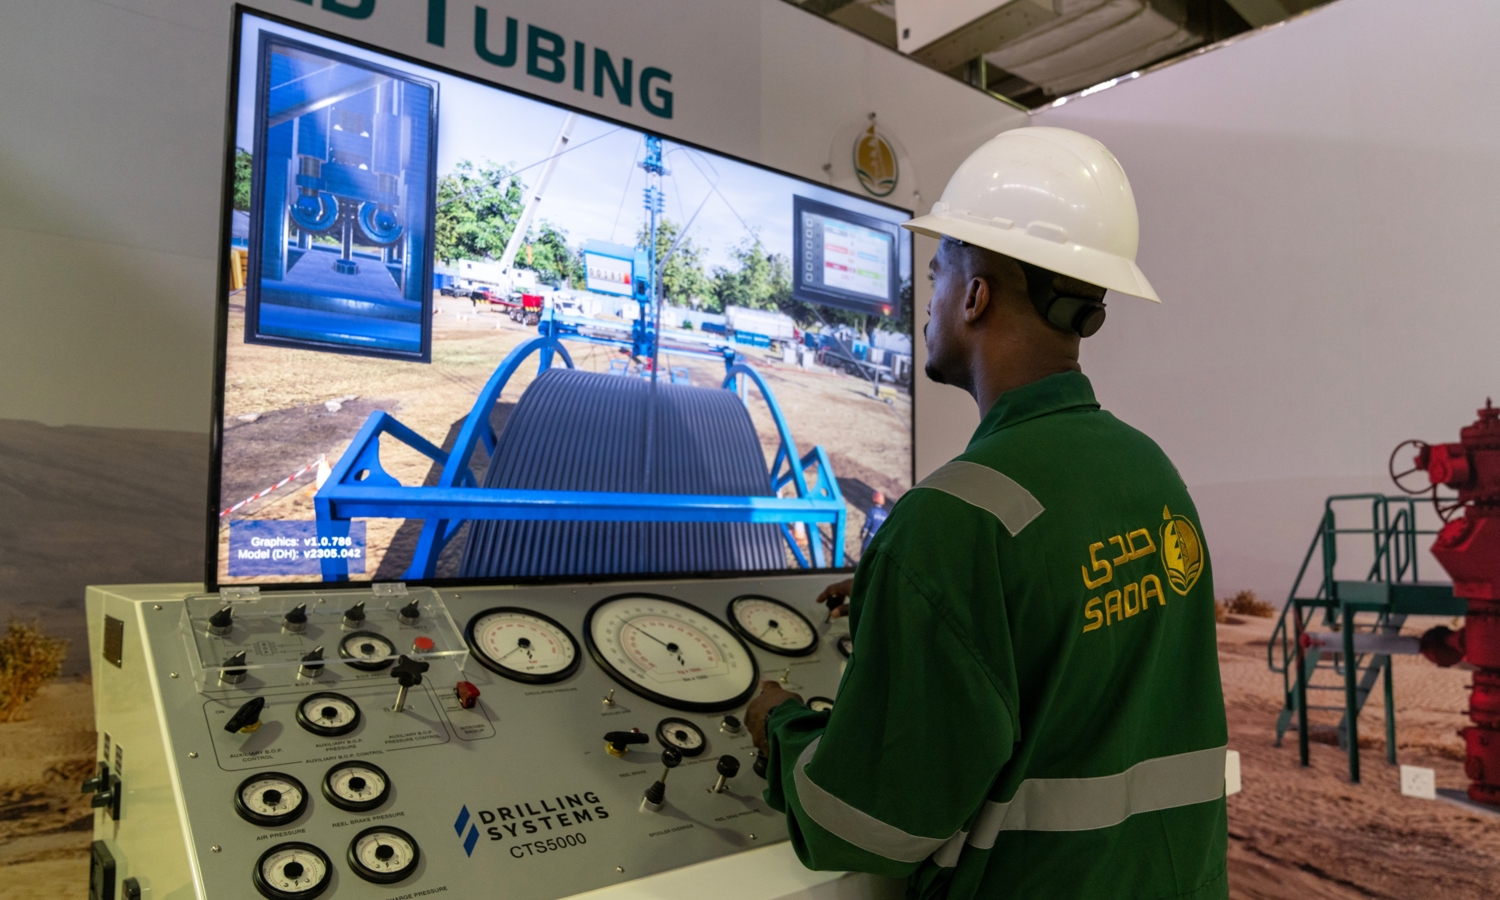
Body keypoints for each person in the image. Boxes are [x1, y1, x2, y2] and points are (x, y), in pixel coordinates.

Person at [745, 127, 1228, 900]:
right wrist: (907, 599)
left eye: (936, 273)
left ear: (975, 296)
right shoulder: (1151, 473)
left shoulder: (953, 522)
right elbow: (1069, 648)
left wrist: (780, 724)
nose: (923, 299)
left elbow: (868, 825)